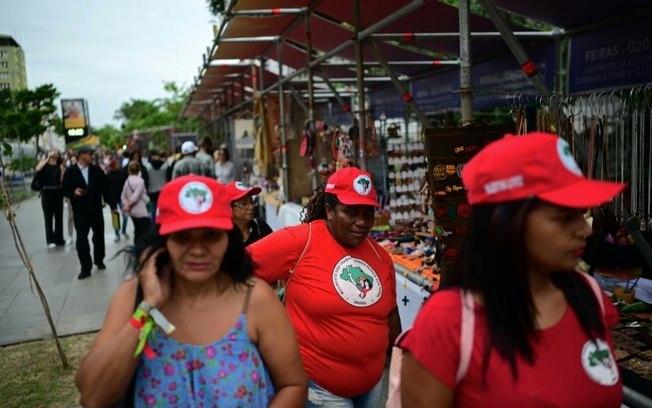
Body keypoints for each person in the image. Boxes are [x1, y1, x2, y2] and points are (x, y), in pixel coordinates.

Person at [399, 132, 626, 407]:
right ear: (503, 222)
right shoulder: (449, 324)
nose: (584, 229)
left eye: (581, 213)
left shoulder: (591, 297)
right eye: (564, 216)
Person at [75, 175, 307, 407]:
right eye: (183, 236)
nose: (198, 250)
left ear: (228, 239)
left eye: (211, 235)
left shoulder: (255, 299)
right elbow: (93, 396)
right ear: (163, 241)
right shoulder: (134, 295)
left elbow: (293, 385)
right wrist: (148, 307)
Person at [247, 166, 402, 408]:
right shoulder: (300, 241)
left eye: (368, 213)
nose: (362, 223)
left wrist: (400, 367)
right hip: (319, 389)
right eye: (351, 212)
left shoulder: (380, 256)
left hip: (373, 385)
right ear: (330, 210)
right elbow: (237, 269)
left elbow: (391, 314)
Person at [62, 145, 116, 280]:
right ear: (80, 155)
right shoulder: (71, 172)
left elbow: (106, 189)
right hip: (80, 212)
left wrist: (113, 206)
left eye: (92, 154)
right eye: (89, 154)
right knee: (81, 240)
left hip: (96, 210)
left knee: (98, 237)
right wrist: (73, 192)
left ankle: (99, 260)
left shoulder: (97, 171)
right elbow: (64, 190)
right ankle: (85, 267)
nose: (92, 156)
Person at [34, 149, 66, 248]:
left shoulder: (60, 166)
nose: (54, 153)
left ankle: (59, 239)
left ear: (58, 155)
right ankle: (50, 240)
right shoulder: (44, 164)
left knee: (59, 217)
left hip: (57, 192)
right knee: (48, 217)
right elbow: (37, 169)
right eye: (53, 151)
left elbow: (61, 181)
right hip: (47, 192)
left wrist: (63, 170)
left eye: (56, 152)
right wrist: (47, 158)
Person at [225, 181, 273, 246]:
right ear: (229, 207)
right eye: (244, 204)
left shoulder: (260, 227)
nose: (251, 207)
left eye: (251, 202)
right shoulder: (224, 236)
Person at [121, 161, 151, 245]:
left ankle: (137, 248)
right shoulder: (140, 181)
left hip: (132, 212)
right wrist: (128, 206)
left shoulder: (127, 181)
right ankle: (143, 249)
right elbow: (136, 197)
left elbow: (123, 195)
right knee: (146, 231)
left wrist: (126, 205)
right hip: (142, 210)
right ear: (139, 170)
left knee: (137, 230)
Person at [142, 149, 169, 222]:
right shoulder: (165, 165)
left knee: (153, 209)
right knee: (163, 208)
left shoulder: (147, 167)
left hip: (152, 191)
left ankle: (153, 226)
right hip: (164, 190)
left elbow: (145, 180)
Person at [106, 158, 128, 242]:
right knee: (115, 218)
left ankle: (123, 230)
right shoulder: (108, 176)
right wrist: (109, 200)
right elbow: (107, 190)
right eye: (117, 164)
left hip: (122, 198)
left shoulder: (122, 173)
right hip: (113, 200)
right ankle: (117, 234)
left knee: (125, 216)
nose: (119, 165)